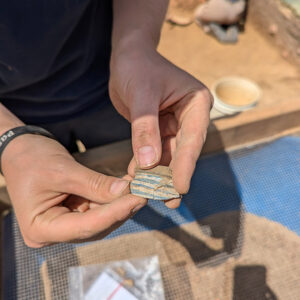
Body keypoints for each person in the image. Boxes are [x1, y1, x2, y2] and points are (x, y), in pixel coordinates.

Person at [0, 0, 212, 248]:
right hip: (14, 113)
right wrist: (8, 137)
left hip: (118, 88)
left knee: (141, 161)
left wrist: (136, 45)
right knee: (71, 201)